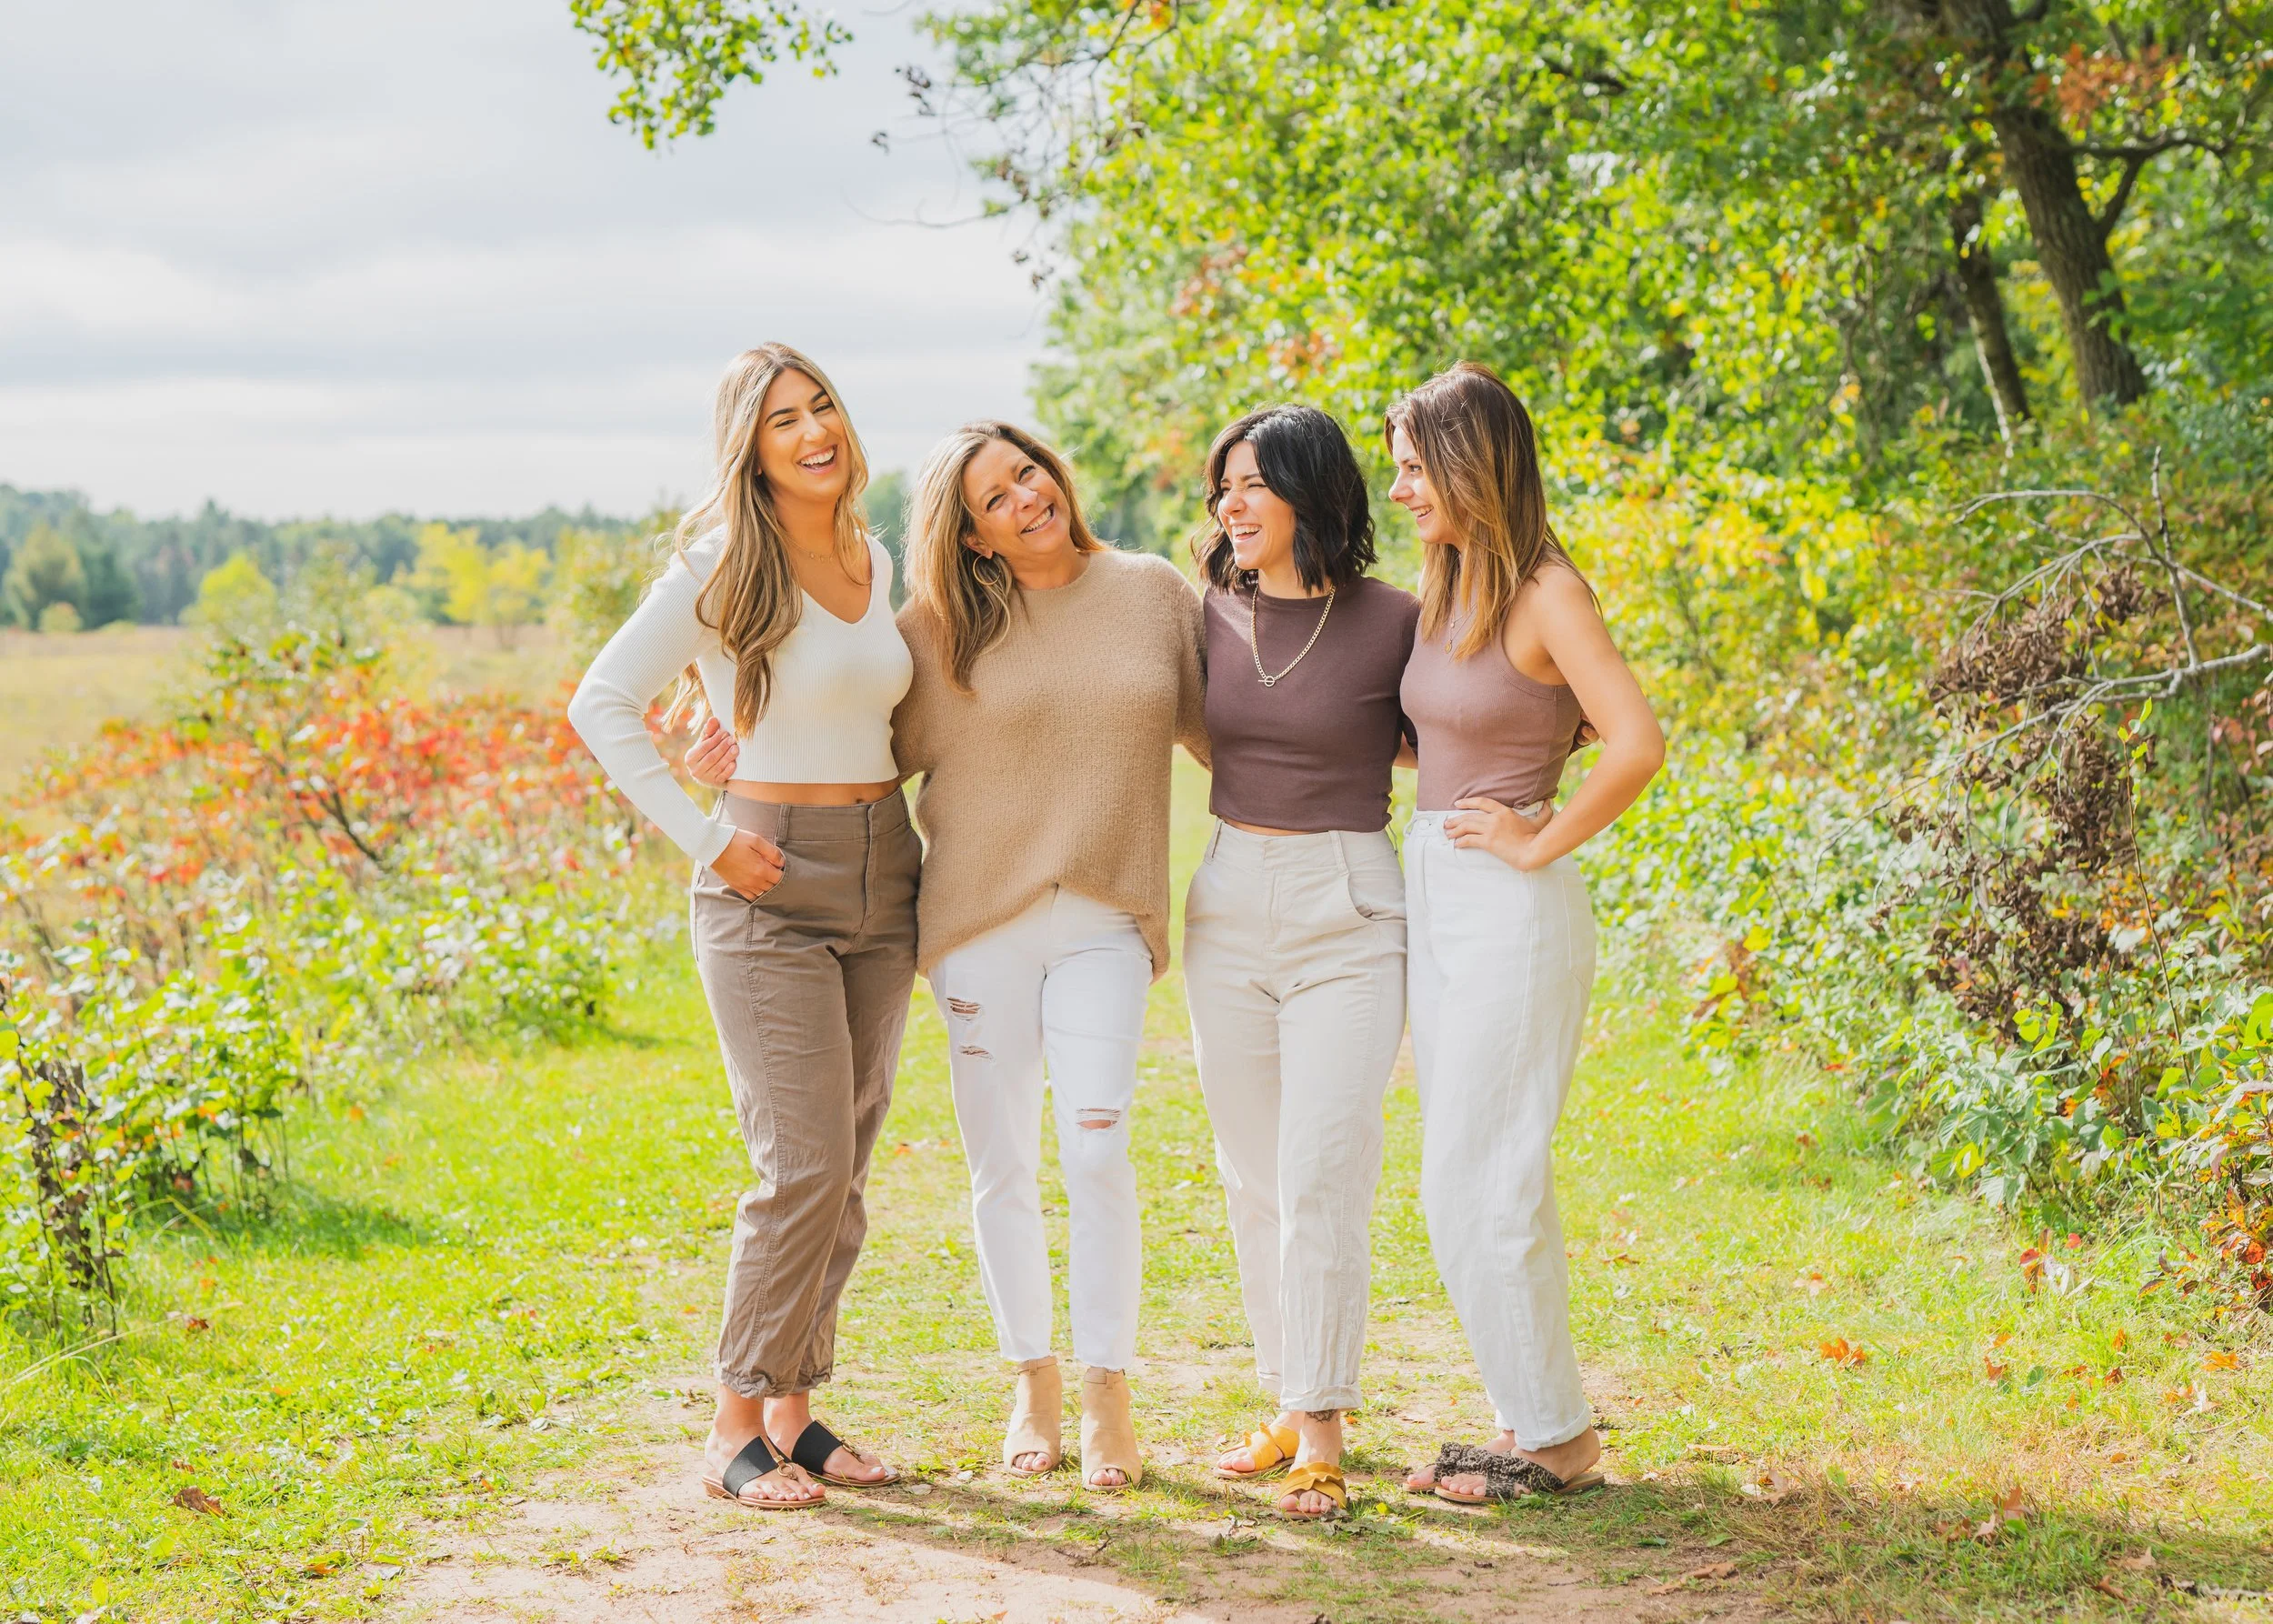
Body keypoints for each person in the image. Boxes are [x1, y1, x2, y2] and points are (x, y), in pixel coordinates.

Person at [687, 421, 1207, 1492]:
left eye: (1028, 472)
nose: (1025, 497)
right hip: (976, 929)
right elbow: (841, 736)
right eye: (993, 498)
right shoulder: (933, 633)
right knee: (1002, 1162)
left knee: (1098, 1147)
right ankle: (1034, 1378)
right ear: (969, 537)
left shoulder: (1153, 592)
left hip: (1110, 919)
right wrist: (724, 754)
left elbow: (1235, 729)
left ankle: (1109, 1385)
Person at [567, 343, 918, 1511]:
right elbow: (601, 702)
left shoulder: (879, 552)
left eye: (822, 406)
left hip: (886, 876)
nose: (814, 430)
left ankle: (795, 1411)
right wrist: (705, 834)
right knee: (800, 1162)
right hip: (766, 880)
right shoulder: (722, 562)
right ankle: (732, 1424)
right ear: (749, 448)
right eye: (782, 420)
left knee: (848, 1164)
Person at [1385, 362, 1664, 1506]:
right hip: (1437, 890)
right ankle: (1527, 1408)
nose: (1401, 489)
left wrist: (1535, 839)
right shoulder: (1448, 579)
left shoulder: (1549, 590)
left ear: (1468, 465)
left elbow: (1636, 742)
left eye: (1414, 467)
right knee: (1488, 1170)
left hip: (1512, 906)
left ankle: (1556, 1440)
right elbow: (1449, 730)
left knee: (1474, 1176)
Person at [1181, 406, 1418, 1521]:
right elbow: (1186, 726)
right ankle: (1287, 1399)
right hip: (1228, 898)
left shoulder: (1397, 621)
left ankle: (1321, 1423)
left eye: (1253, 485)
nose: (1230, 504)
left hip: (1350, 903)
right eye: (1222, 485)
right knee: (1253, 1176)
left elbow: (1468, 722)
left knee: (1324, 1170)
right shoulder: (1205, 618)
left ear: (1312, 495)